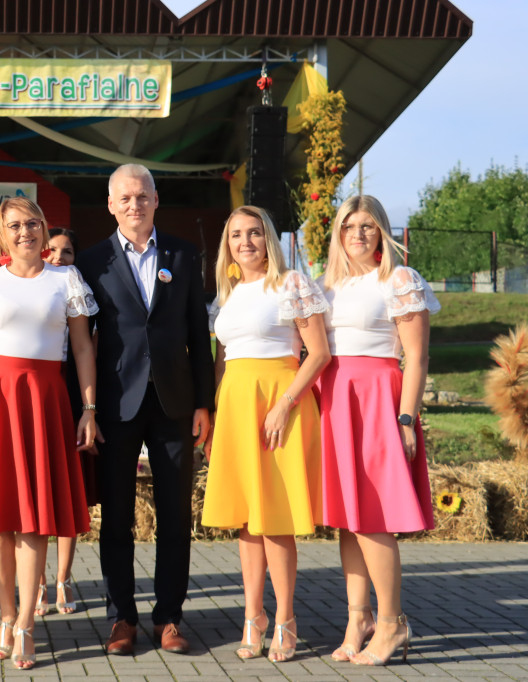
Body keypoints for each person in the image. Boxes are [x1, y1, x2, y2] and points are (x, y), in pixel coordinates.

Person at [0, 197, 99, 670]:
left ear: (44, 228)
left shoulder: (66, 279)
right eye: (14, 225)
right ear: (0, 235)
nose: (25, 232)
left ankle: (29, 624)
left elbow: (82, 348)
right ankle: (7, 616)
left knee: (35, 517)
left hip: (42, 401)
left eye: (33, 223)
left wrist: (89, 408)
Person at [77, 164, 215, 656]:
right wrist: (86, 409)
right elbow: (83, 343)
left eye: (143, 196)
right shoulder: (91, 262)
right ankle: (122, 619)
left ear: (156, 200)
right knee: (116, 517)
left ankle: (170, 617)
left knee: (176, 516)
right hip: (117, 404)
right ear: (111, 205)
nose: (135, 205)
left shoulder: (183, 253)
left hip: (176, 403)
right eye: (125, 198)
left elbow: (199, 335)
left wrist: (205, 403)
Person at [201, 206, 330, 662]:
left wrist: (285, 404)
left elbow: (318, 353)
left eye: (254, 233)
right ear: (228, 244)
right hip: (235, 406)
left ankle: (285, 620)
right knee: (246, 520)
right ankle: (252, 618)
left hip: (281, 403)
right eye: (236, 235)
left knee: (274, 519)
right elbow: (223, 359)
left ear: (269, 239)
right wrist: (216, 417)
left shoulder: (292, 283)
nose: (245, 242)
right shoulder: (227, 293)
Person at [318, 195, 439, 666]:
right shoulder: (328, 285)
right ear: (338, 233)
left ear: (382, 231)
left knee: (372, 517)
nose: (358, 233)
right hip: (336, 404)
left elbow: (417, 357)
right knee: (349, 521)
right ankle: (359, 618)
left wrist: (405, 417)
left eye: (368, 225)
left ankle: (392, 623)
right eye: (349, 225)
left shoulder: (400, 279)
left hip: (376, 402)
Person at [32, 227, 94, 617]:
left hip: (74, 394)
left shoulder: (80, 294)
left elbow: (91, 348)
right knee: (39, 487)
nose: (58, 256)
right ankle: (36, 580)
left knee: (69, 488)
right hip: (42, 392)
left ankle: (64, 578)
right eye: (51, 250)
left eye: (67, 251)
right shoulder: (30, 289)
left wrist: (90, 407)